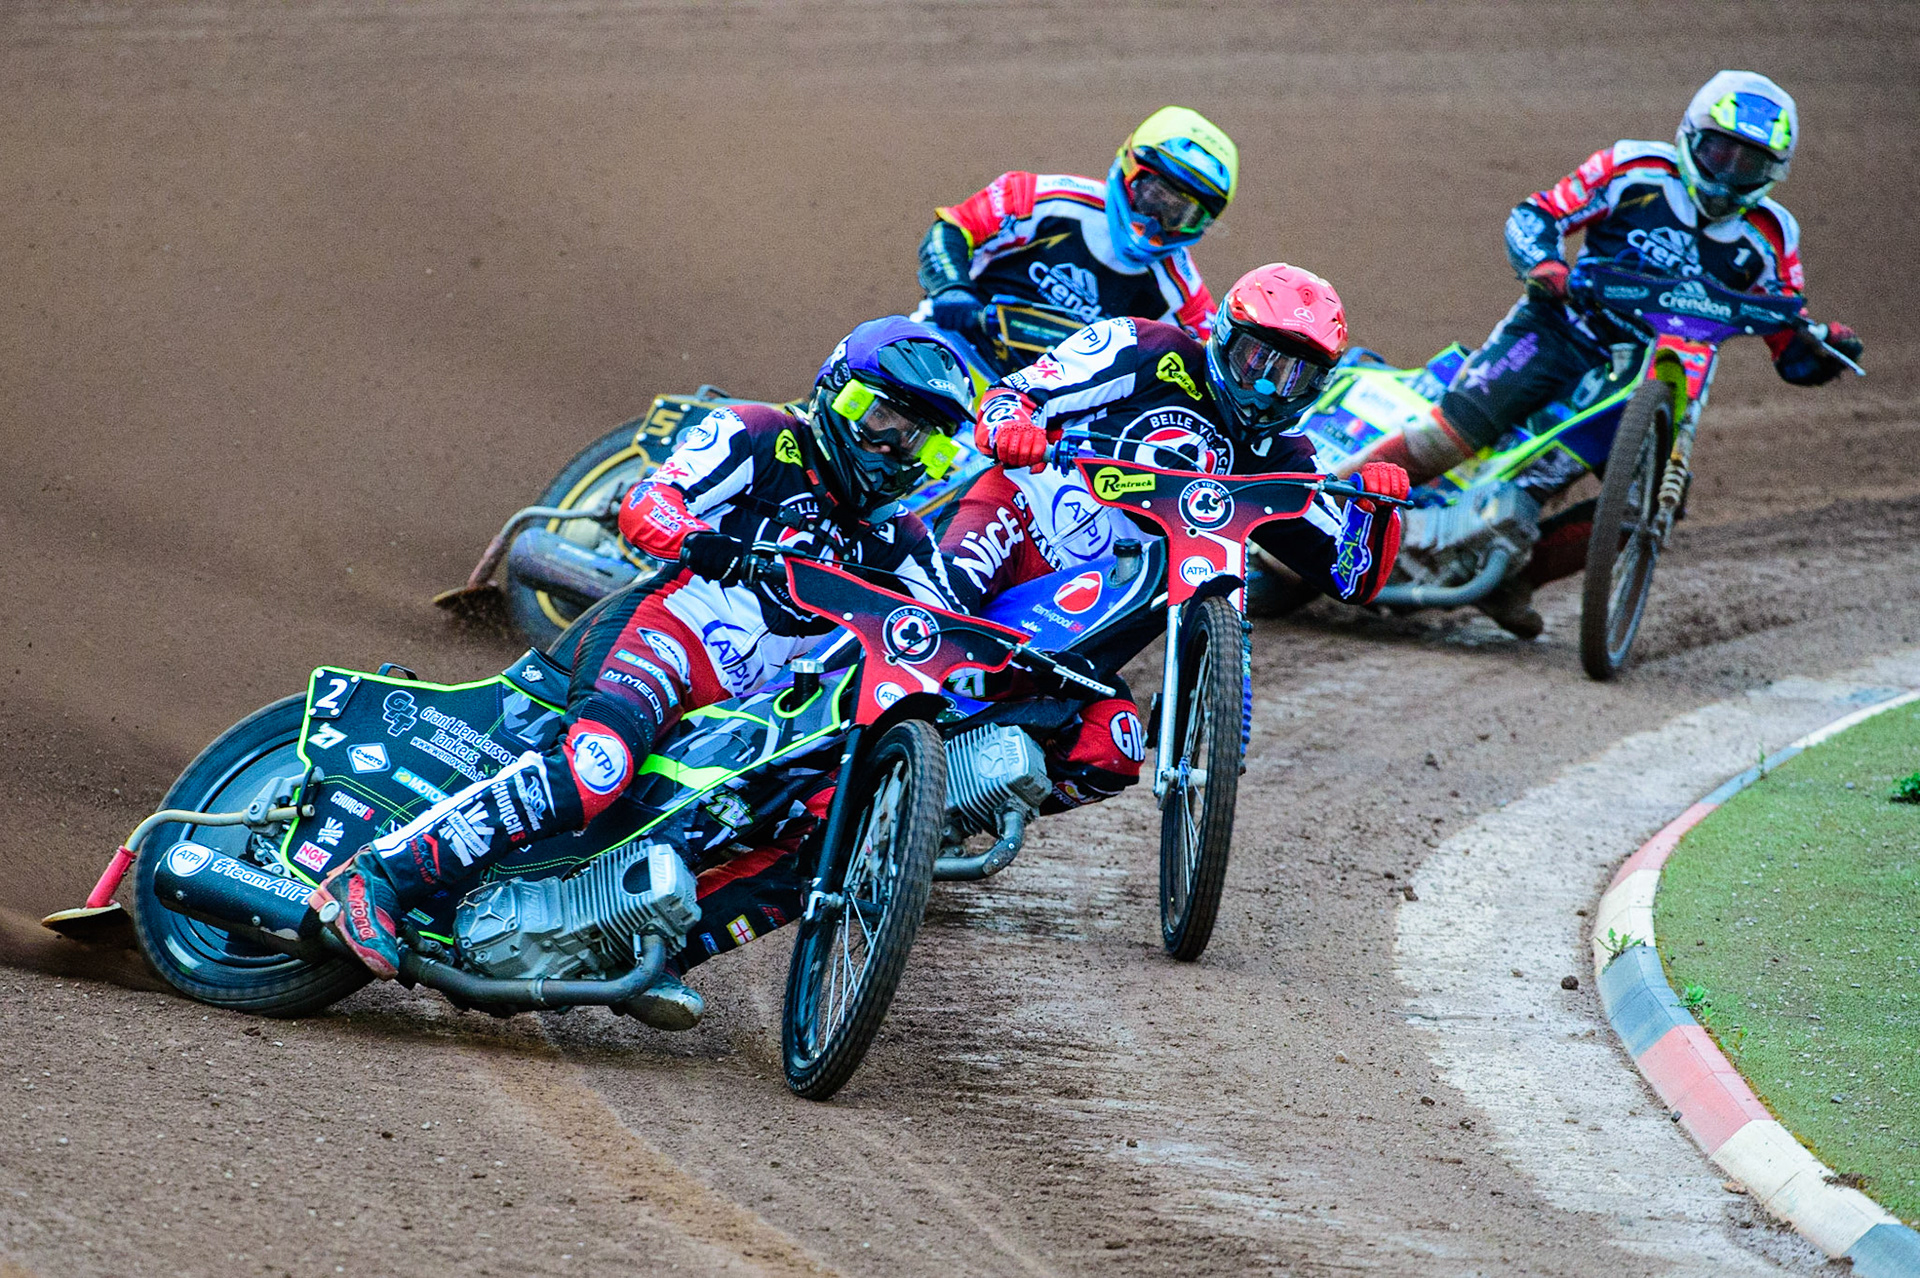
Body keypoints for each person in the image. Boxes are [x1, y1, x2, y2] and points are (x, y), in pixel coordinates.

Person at [307, 317, 976, 1027]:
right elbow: (646, 504)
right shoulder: (757, 433)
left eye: (922, 441)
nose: (890, 447)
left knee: (811, 840)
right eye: (877, 417)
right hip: (665, 634)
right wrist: (705, 544)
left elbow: (938, 635)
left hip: (746, 712)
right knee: (596, 767)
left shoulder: (901, 538)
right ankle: (377, 878)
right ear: (834, 393)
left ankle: (653, 951)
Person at [1335, 70, 1865, 638]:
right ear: (1691, 136)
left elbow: (1789, 345)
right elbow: (1537, 215)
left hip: (1660, 372)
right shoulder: (1634, 169)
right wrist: (1544, 264)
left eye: (1749, 164)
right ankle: (1314, 510)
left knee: (1651, 506)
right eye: (1720, 152)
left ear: (1773, 173)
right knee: (1451, 437)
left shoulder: (1773, 236)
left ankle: (1516, 580)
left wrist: (1827, 350)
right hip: (1563, 327)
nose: (1729, 174)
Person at [942, 263, 1409, 811]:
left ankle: (947, 809)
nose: (1265, 387)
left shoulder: (1286, 459)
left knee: (1111, 750)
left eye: (1291, 377)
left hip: (1094, 609)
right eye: (1257, 360)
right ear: (1226, 338)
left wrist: (1376, 511)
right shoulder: (1145, 346)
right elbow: (1014, 394)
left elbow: (1352, 576)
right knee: (933, 621)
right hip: (1019, 518)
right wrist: (1012, 428)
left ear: (1316, 387)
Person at [916, 106, 1239, 373]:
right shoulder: (1041, 198)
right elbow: (954, 228)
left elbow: (1212, 371)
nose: (1154, 223)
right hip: (947, 349)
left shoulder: (1187, 303)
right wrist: (952, 288)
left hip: (1029, 412)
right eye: (1154, 196)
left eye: (1180, 215)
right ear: (1130, 168)